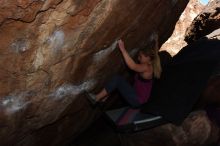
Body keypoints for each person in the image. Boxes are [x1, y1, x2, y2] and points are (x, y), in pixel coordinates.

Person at [86, 37, 162, 108]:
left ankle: (96, 98)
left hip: (137, 100)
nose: (138, 59)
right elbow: (155, 52)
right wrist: (156, 40)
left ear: (148, 58)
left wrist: (123, 49)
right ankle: (103, 99)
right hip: (136, 96)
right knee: (119, 81)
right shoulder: (150, 63)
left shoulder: (147, 67)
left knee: (118, 79)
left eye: (140, 57)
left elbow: (133, 66)